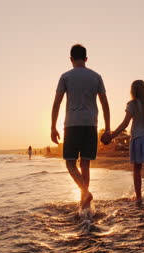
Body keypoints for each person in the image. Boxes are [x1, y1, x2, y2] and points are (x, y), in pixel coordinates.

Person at [51, 44, 111, 210]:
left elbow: (57, 103)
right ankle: (85, 206)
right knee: (85, 164)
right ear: (86, 58)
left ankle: (85, 192)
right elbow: (105, 104)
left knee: (70, 163)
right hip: (91, 124)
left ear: (71, 59)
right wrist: (107, 128)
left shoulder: (66, 77)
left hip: (72, 124)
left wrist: (52, 127)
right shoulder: (96, 76)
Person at [102, 80, 144, 209]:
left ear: (133, 91)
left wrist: (111, 136)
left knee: (137, 170)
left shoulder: (132, 104)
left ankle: (138, 198)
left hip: (139, 139)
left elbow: (125, 123)